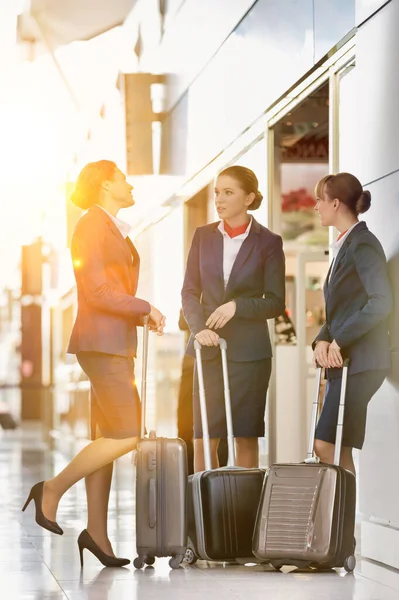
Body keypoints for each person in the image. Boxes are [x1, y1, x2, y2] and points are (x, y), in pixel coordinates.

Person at [22, 160, 166, 567]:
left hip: (112, 343)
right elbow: (98, 290)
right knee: (127, 433)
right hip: (102, 345)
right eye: (123, 176)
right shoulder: (90, 226)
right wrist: (145, 307)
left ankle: (97, 534)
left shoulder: (108, 226)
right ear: (106, 184)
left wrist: (139, 315)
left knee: (106, 438)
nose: (129, 182)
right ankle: (51, 489)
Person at [181, 165, 286, 472]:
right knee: (204, 438)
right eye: (217, 192)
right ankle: (207, 511)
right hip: (208, 350)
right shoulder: (202, 237)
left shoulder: (269, 242)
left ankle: (243, 514)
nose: (219, 199)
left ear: (249, 197)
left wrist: (237, 306)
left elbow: (276, 302)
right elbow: (189, 291)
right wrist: (198, 329)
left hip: (250, 355)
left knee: (245, 436)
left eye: (228, 192)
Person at [313, 172, 392, 475]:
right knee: (337, 447)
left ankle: (342, 518)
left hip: (360, 362)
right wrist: (323, 338)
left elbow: (381, 301)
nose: (316, 207)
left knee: (326, 445)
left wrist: (339, 340)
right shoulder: (346, 244)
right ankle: (342, 521)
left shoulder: (363, 243)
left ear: (335, 203)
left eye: (320, 200)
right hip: (346, 360)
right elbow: (342, 308)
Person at [176, 309, 228, 475]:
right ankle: (190, 479)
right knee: (186, 425)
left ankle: (220, 481)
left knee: (218, 427)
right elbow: (182, 322)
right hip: (193, 359)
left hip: (220, 357)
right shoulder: (192, 293)